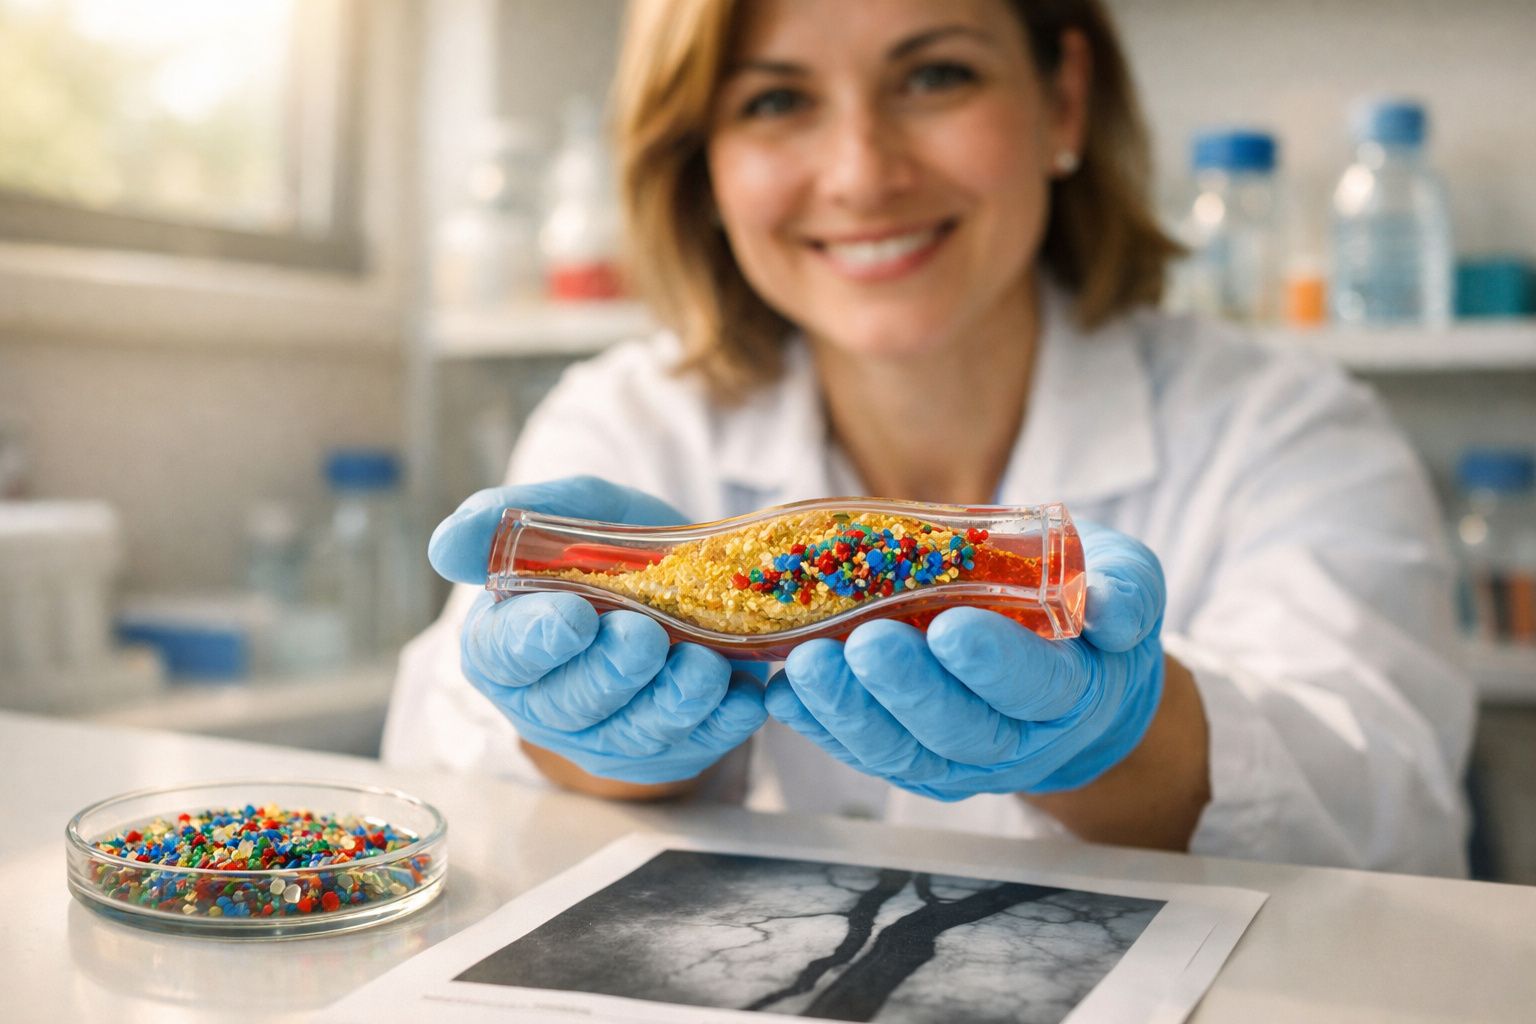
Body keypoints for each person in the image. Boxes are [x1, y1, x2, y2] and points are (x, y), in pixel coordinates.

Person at [384, 0, 1473, 874]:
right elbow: (443, 780)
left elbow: (1396, 814)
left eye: (936, 74)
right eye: (774, 99)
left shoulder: (1288, 426)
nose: (862, 171)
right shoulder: (626, 418)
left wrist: (1124, 740)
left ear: (1063, 100)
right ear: (703, 158)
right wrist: (587, 744)